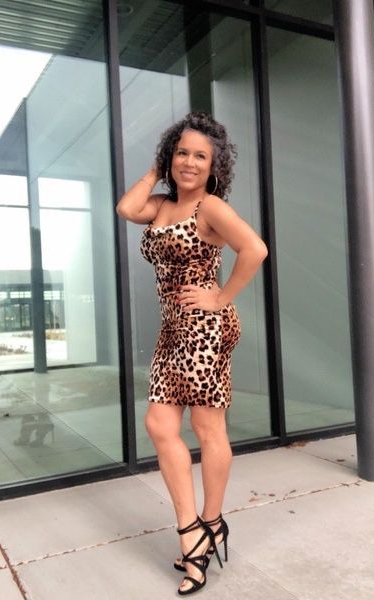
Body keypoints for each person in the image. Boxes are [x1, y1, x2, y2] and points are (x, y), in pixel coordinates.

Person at [116, 111, 268, 595]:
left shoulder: (210, 207)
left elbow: (255, 250)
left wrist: (220, 298)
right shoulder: (162, 205)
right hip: (172, 329)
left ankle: (211, 521)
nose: (189, 162)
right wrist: (155, 169)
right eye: (181, 152)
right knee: (160, 425)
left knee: (207, 428)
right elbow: (126, 208)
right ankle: (192, 530)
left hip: (205, 329)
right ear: (170, 157)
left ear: (213, 165)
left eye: (200, 156)